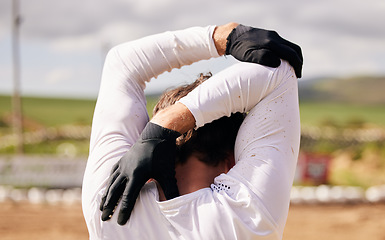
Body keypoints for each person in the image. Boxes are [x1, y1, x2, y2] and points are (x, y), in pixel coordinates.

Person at [82, 22, 302, 239]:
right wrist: (167, 125)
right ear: (232, 160)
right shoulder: (246, 217)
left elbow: (121, 62)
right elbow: (279, 72)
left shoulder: (106, 204)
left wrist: (221, 36)